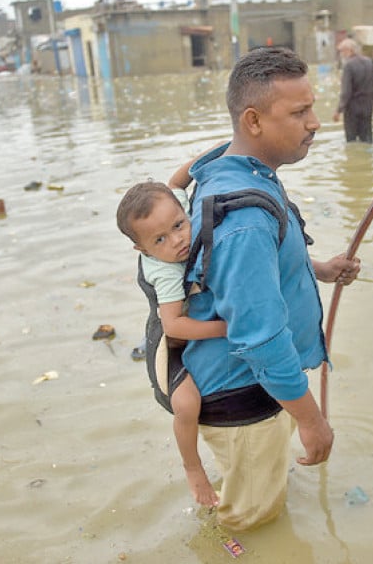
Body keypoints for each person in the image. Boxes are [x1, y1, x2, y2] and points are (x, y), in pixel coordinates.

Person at [183, 47, 361, 531]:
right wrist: (310, 419)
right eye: (299, 112)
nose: (316, 123)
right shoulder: (244, 220)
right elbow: (258, 336)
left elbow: (254, 271)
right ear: (253, 121)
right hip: (244, 395)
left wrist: (319, 268)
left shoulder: (235, 168)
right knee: (251, 523)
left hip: (247, 385)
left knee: (251, 493)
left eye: (313, 107)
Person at [116, 146, 228, 509]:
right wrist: (224, 328)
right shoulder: (164, 271)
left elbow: (179, 180)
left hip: (186, 324)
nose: (178, 240)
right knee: (185, 403)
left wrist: (222, 149)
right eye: (159, 240)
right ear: (141, 248)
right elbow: (175, 324)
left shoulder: (175, 204)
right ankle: (193, 467)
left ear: (182, 211)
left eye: (179, 226)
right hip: (169, 344)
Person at [333, 38, 373, 143]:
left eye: (342, 51)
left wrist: (339, 110)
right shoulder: (369, 62)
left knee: (351, 140)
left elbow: (346, 92)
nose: (341, 54)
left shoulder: (348, 65)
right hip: (368, 106)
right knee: (367, 139)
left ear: (350, 50)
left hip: (352, 108)